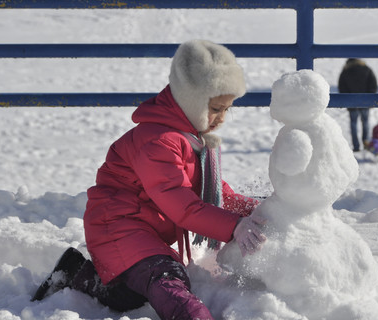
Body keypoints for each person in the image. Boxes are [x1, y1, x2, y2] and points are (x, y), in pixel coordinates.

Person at [31, 40, 267, 320]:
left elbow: (215, 195)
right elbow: (182, 205)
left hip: (142, 226)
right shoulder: (158, 142)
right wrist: (234, 226)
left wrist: (261, 211)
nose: (222, 118)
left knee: (131, 294)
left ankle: (78, 273)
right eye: (216, 108)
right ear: (191, 100)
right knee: (164, 276)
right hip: (116, 225)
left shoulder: (191, 139)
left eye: (227, 108)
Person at [338, 58, 378, 152]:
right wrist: (369, 97)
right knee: (365, 122)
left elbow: (341, 87)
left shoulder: (345, 71)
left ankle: (356, 146)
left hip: (351, 102)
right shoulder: (367, 69)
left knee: (353, 123)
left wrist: (347, 99)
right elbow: (373, 84)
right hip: (365, 101)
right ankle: (365, 143)